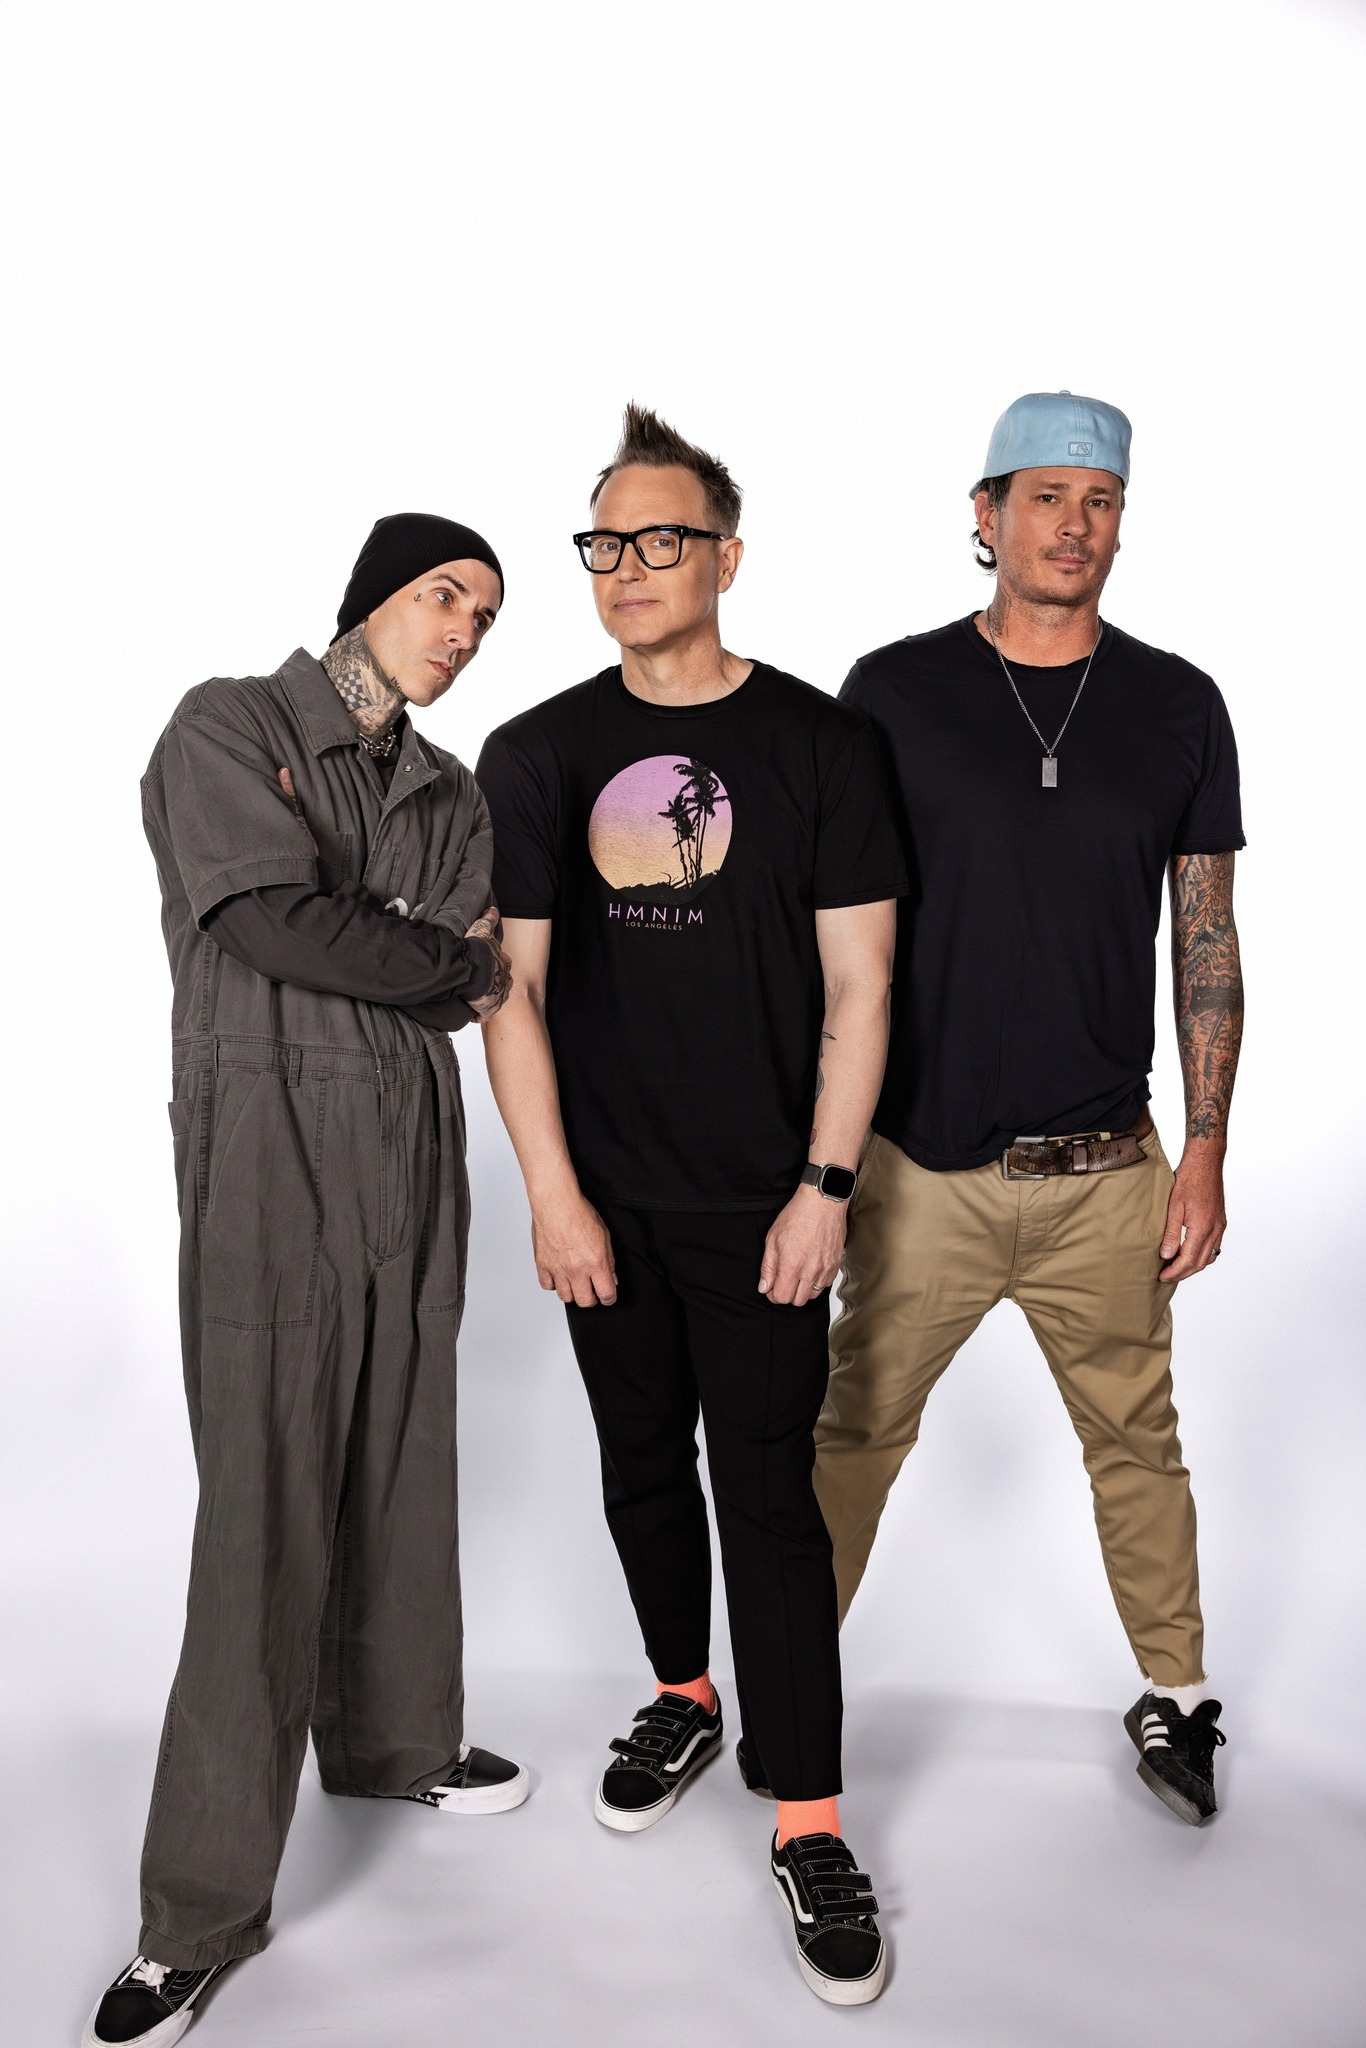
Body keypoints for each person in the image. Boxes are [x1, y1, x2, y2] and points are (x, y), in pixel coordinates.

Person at [476, 406, 904, 2005]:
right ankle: (682, 1694)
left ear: (727, 557)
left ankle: (808, 1820)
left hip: (763, 1202)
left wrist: (823, 1187)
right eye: (605, 542)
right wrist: (553, 1195)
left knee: (770, 1498)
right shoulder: (535, 754)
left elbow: (861, 984)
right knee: (641, 1462)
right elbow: (510, 991)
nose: (627, 567)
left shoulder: (819, 746)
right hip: (605, 1201)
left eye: (661, 539)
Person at [85, 515, 529, 2048]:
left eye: (485, 616)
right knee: (265, 1505)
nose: (463, 631)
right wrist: (432, 952)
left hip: (408, 1151)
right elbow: (271, 920)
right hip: (268, 1150)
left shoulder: (451, 792)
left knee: (404, 1458)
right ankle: (196, 1915)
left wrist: (403, 947)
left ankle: (397, 1743)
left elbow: (425, 966)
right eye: (443, 596)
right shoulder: (228, 726)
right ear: (369, 599)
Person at [814, 391, 1245, 1829]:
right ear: (986, 515)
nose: (1074, 525)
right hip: (919, 1168)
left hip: (1107, 1169)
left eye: (1099, 500)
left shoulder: (1177, 703)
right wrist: (818, 1155)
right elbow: (833, 933)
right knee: (851, 1432)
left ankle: (1177, 1696)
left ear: (1122, 523)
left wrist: (1203, 1154)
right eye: (1046, 496)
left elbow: (1205, 941)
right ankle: (785, 1685)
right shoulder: (891, 691)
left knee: (1139, 1443)